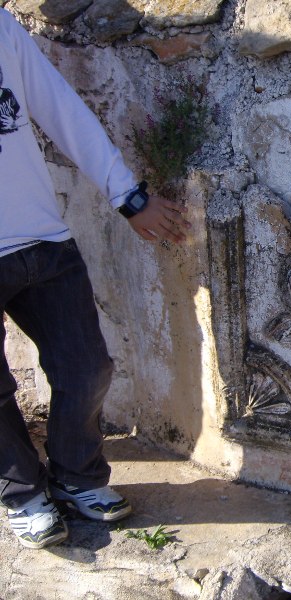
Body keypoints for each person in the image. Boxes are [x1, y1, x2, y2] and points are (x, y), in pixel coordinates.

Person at [0, 7, 191, 549]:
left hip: (41, 239)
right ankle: (21, 491)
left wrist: (128, 197)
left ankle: (75, 474)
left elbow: (60, 108)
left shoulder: (0, 28)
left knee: (87, 368)